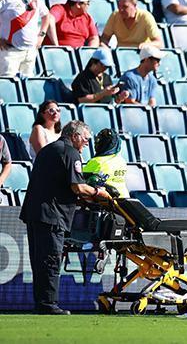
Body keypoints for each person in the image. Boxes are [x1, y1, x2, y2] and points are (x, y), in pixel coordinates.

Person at [19, 120, 112, 315]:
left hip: (34, 213)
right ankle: (49, 304)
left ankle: (42, 303)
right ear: (75, 136)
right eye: (85, 138)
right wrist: (99, 192)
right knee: (51, 260)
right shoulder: (70, 152)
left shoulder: (47, 150)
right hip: (52, 215)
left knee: (39, 261)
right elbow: (78, 187)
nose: (87, 143)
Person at [0, 0, 53, 77]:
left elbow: (46, 15)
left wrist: (41, 35)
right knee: (7, 85)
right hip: (10, 52)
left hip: (30, 52)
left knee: (27, 85)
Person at [82, 128, 129, 198]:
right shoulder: (122, 161)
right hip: (124, 197)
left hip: (107, 200)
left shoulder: (97, 161)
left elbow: (79, 177)